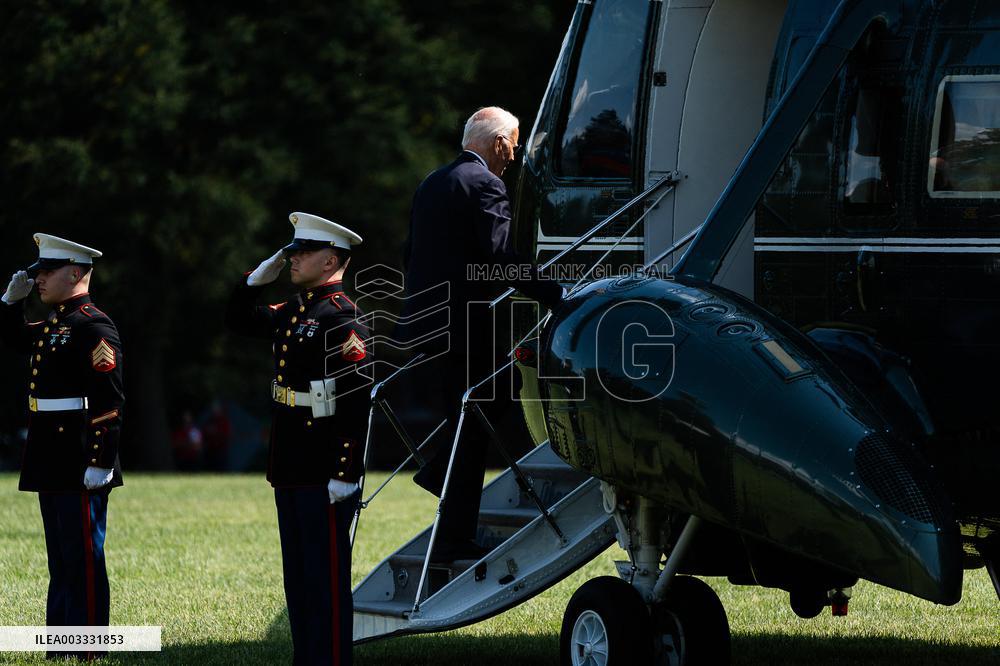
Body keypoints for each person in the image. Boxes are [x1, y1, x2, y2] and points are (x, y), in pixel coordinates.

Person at [400, 107, 563, 562]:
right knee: (490, 405)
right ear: (497, 143)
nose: (514, 156)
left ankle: (444, 496)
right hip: (464, 325)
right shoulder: (486, 184)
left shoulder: (432, 182)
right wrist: (557, 294)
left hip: (427, 323)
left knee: (468, 419)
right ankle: (454, 523)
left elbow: (410, 253)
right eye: (514, 145)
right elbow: (500, 256)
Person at [226, 212, 371, 666]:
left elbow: (355, 402)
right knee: (299, 578)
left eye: (302, 252)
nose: (292, 259)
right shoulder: (294, 311)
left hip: (323, 466)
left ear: (330, 260)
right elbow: (237, 319)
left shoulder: (342, 318)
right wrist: (255, 279)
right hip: (290, 460)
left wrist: (345, 471)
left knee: (326, 579)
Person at [0, 233, 125, 661]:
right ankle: (61, 647)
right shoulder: (57, 323)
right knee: (61, 559)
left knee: (83, 558)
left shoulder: (93, 325)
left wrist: (100, 460)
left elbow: (110, 400)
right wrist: (10, 303)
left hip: (78, 456)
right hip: (51, 455)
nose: (39, 279)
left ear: (75, 273)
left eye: (48, 271)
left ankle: (87, 650)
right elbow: (14, 340)